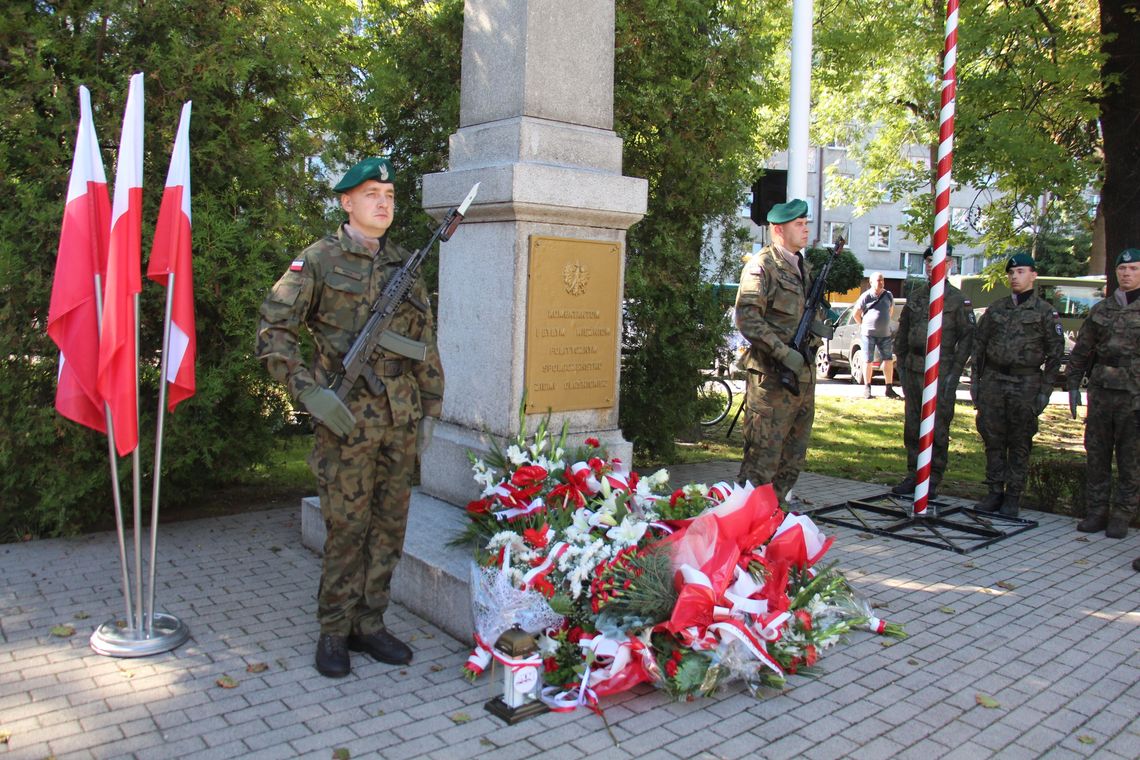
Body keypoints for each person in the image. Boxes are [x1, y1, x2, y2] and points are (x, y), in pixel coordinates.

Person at [257, 157, 445, 677]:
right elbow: (275, 332)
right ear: (346, 202)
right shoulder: (317, 261)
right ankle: (334, 630)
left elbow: (422, 344)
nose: (383, 202)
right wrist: (309, 394)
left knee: (389, 526)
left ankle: (371, 623)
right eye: (370, 194)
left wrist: (431, 406)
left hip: (398, 417)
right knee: (346, 527)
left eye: (388, 194)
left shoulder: (405, 264)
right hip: (345, 418)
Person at [734, 198, 826, 509]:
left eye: (805, 223)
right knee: (762, 461)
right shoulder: (762, 266)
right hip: (772, 381)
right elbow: (747, 317)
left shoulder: (804, 267)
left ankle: (774, 517)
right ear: (778, 230)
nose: (805, 229)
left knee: (793, 457)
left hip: (802, 379)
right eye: (798, 224)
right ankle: (744, 527)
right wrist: (783, 352)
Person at [970, 253, 1063, 517]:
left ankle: (1013, 496)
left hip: (1026, 383)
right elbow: (979, 347)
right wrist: (976, 383)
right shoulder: (997, 309)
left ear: (1033, 275)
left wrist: (1045, 390)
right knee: (993, 439)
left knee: (1020, 441)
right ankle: (995, 491)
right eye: (1011, 273)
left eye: (1021, 272)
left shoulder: (1045, 312)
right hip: (994, 382)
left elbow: (1055, 354)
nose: (1015, 277)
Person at [1066, 247, 1140, 540]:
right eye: (1123, 269)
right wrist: (1072, 383)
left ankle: (1122, 514)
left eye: (1133, 269)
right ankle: (1096, 511)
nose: (1127, 273)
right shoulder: (1102, 309)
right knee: (1096, 453)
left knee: (1130, 457)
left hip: (1133, 395)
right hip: (1102, 392)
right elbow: (1082, 350)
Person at [891, 246, 975, 501]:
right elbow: (902, 333)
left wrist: (955, 372)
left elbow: (968, 338)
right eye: (927, 260)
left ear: (949, 263)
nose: (930, 265)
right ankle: (913, 474)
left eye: (936, 260)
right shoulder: (916, 297)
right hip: (914, 368)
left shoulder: (958, 300)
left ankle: (932, 477)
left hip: (941, 370)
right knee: (913, 424)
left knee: (937, 426)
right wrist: (902, 364)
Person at [853, 271, 899, 399]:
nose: (881, 283)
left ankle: (889, 388)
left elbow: (890, 311)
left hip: (885, 334)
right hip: (868, 334)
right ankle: (867, 388)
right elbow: (856, 313)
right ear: (871, 282)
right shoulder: (866, 296)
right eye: (878, 280)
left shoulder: (888, 295)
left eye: (882, 280)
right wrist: (863, 325)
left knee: (888, 360)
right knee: (868, 360)